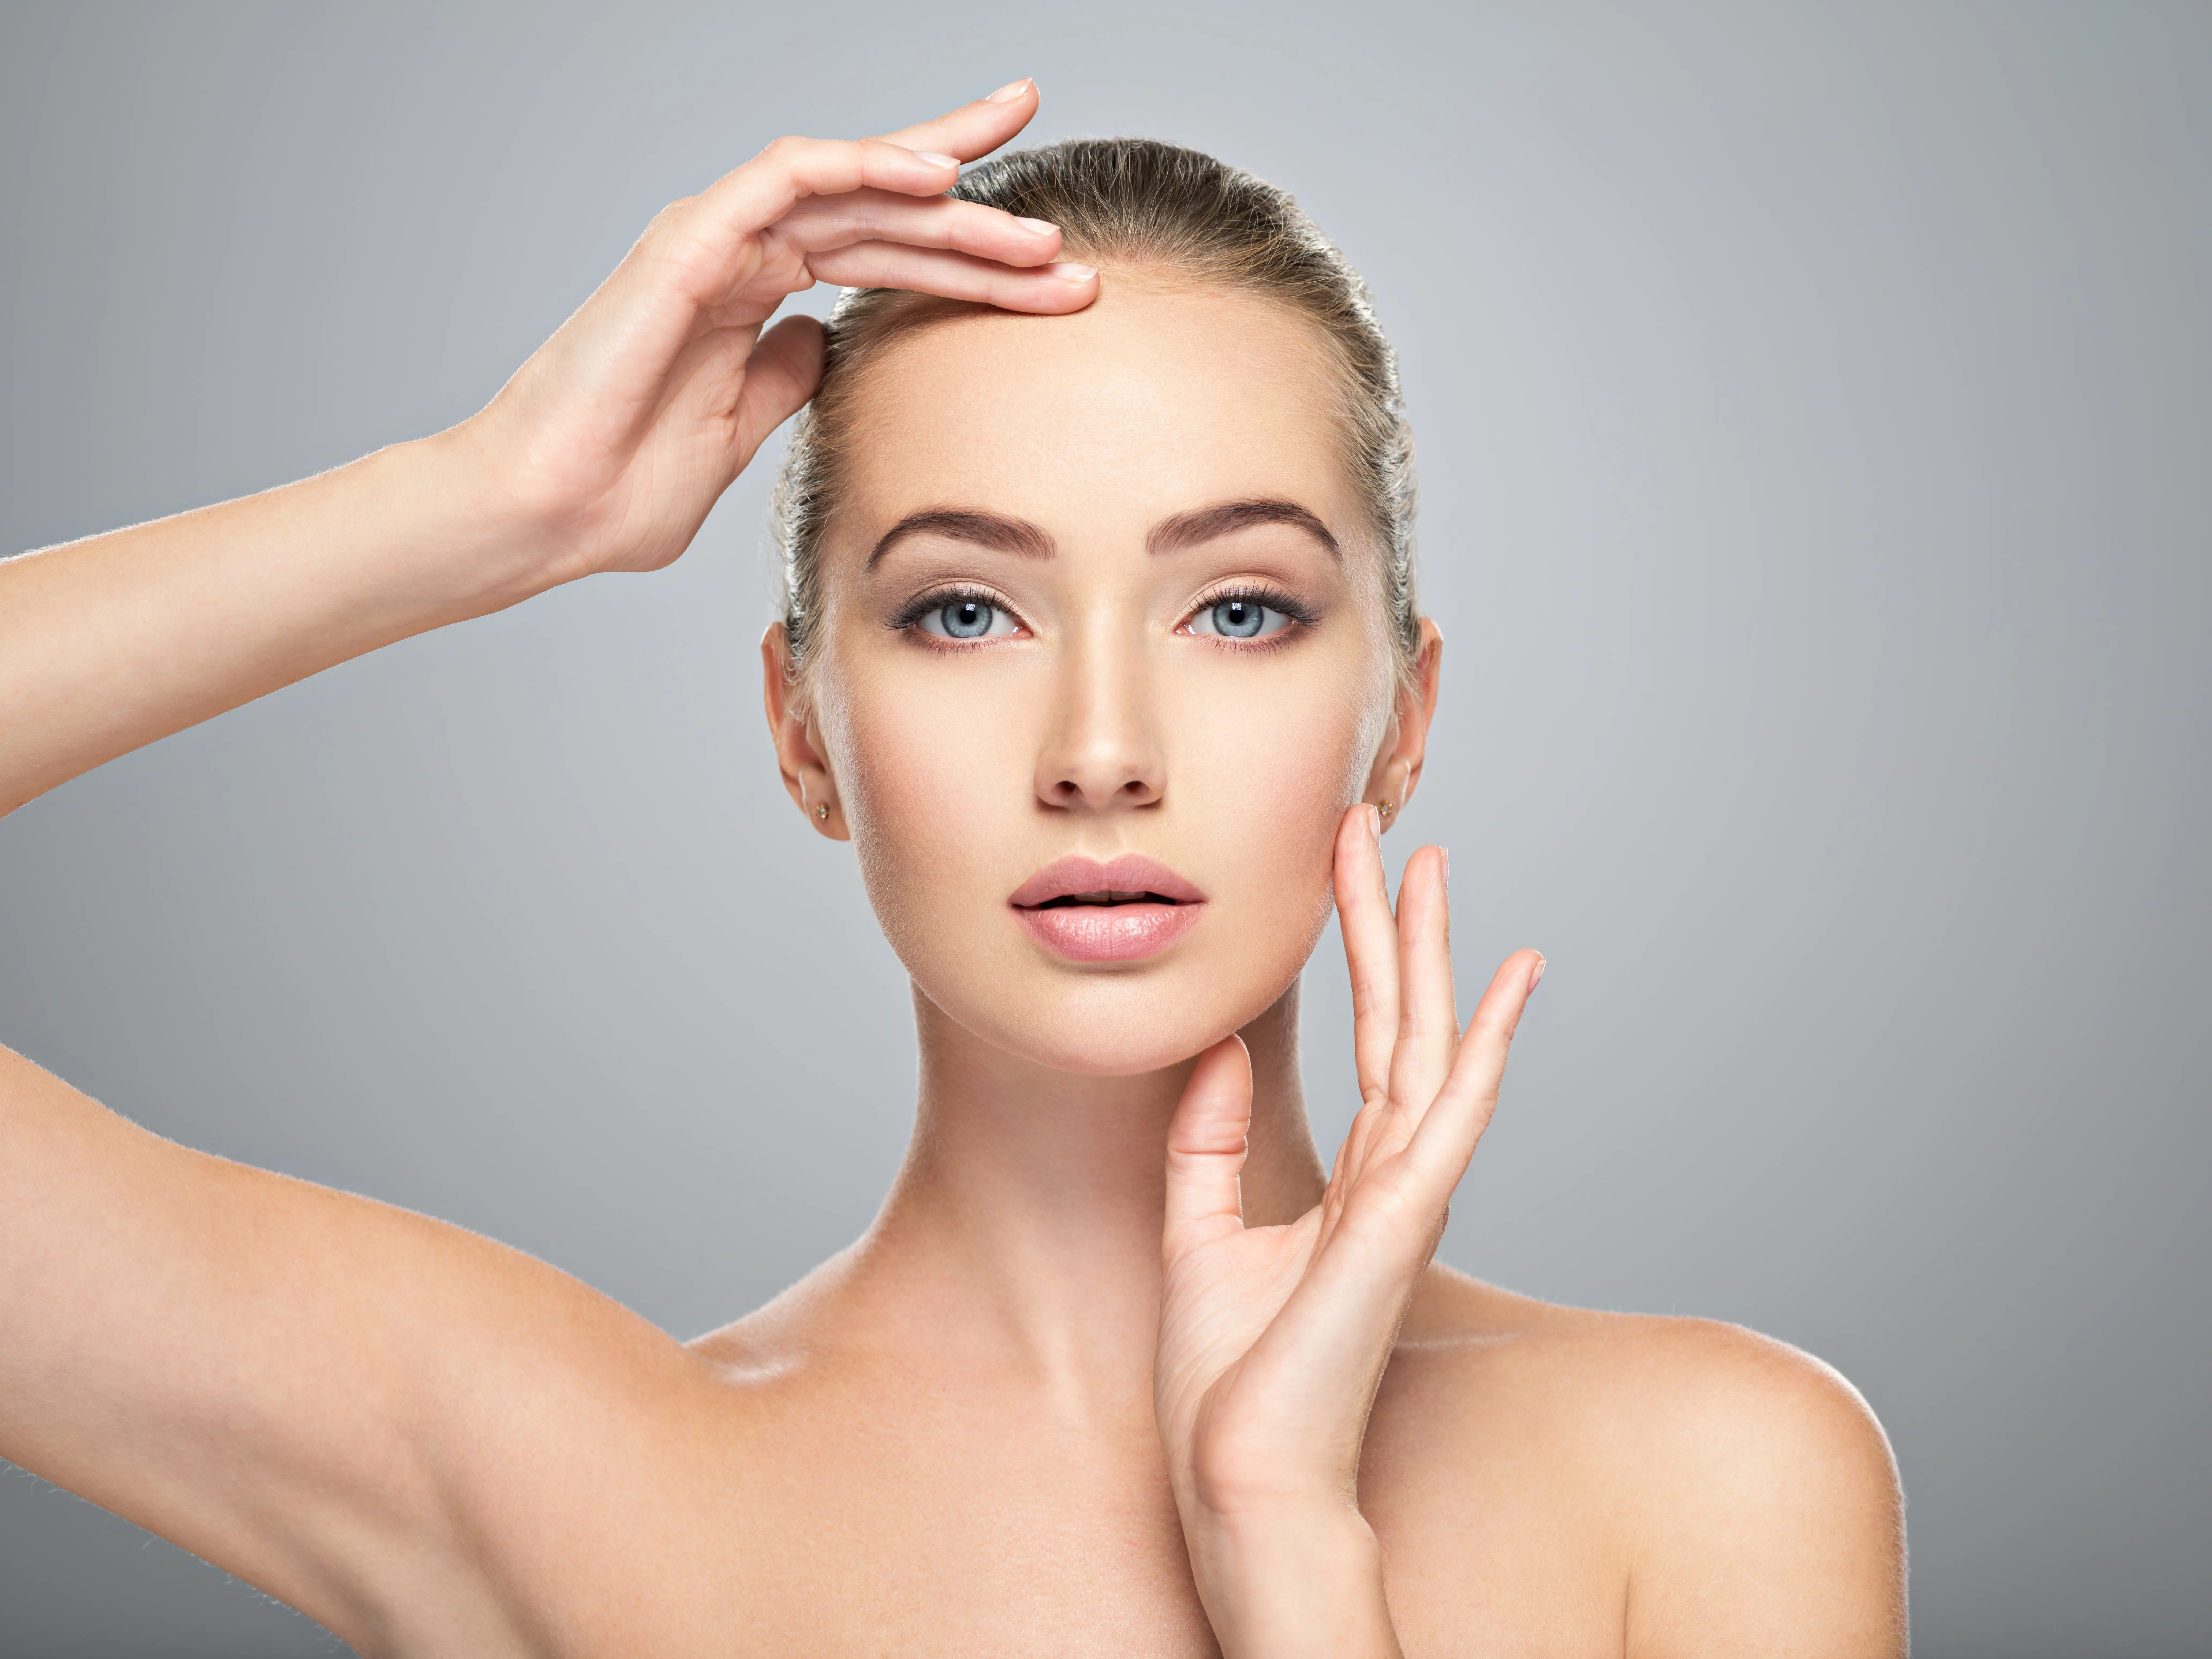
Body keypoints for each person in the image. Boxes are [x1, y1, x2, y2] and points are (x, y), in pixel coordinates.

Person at [0, 82, 1905, 1656]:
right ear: (805, 731)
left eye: (1239, 607)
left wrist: (1291, 1557)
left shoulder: (1718, 1482)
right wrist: (485, 505)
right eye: (965, 611)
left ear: (1398, 722)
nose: (1101, 749)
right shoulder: (571, 1475)